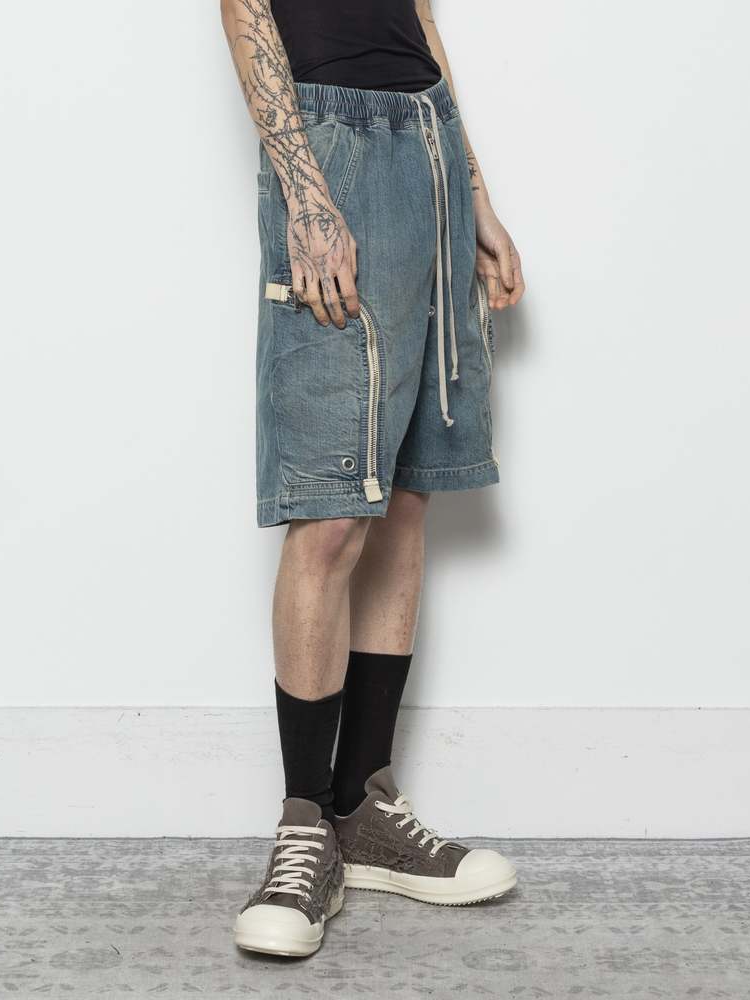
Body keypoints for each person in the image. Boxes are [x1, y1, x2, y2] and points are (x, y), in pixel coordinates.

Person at [220, 0, 526, 957]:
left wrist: (473, 194)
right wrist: (307, 195)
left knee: (403, 493)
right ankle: (304, 825)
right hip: (331, 146)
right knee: (329, 507)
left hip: (428, 141)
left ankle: (365, 809)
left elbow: (417, 18)